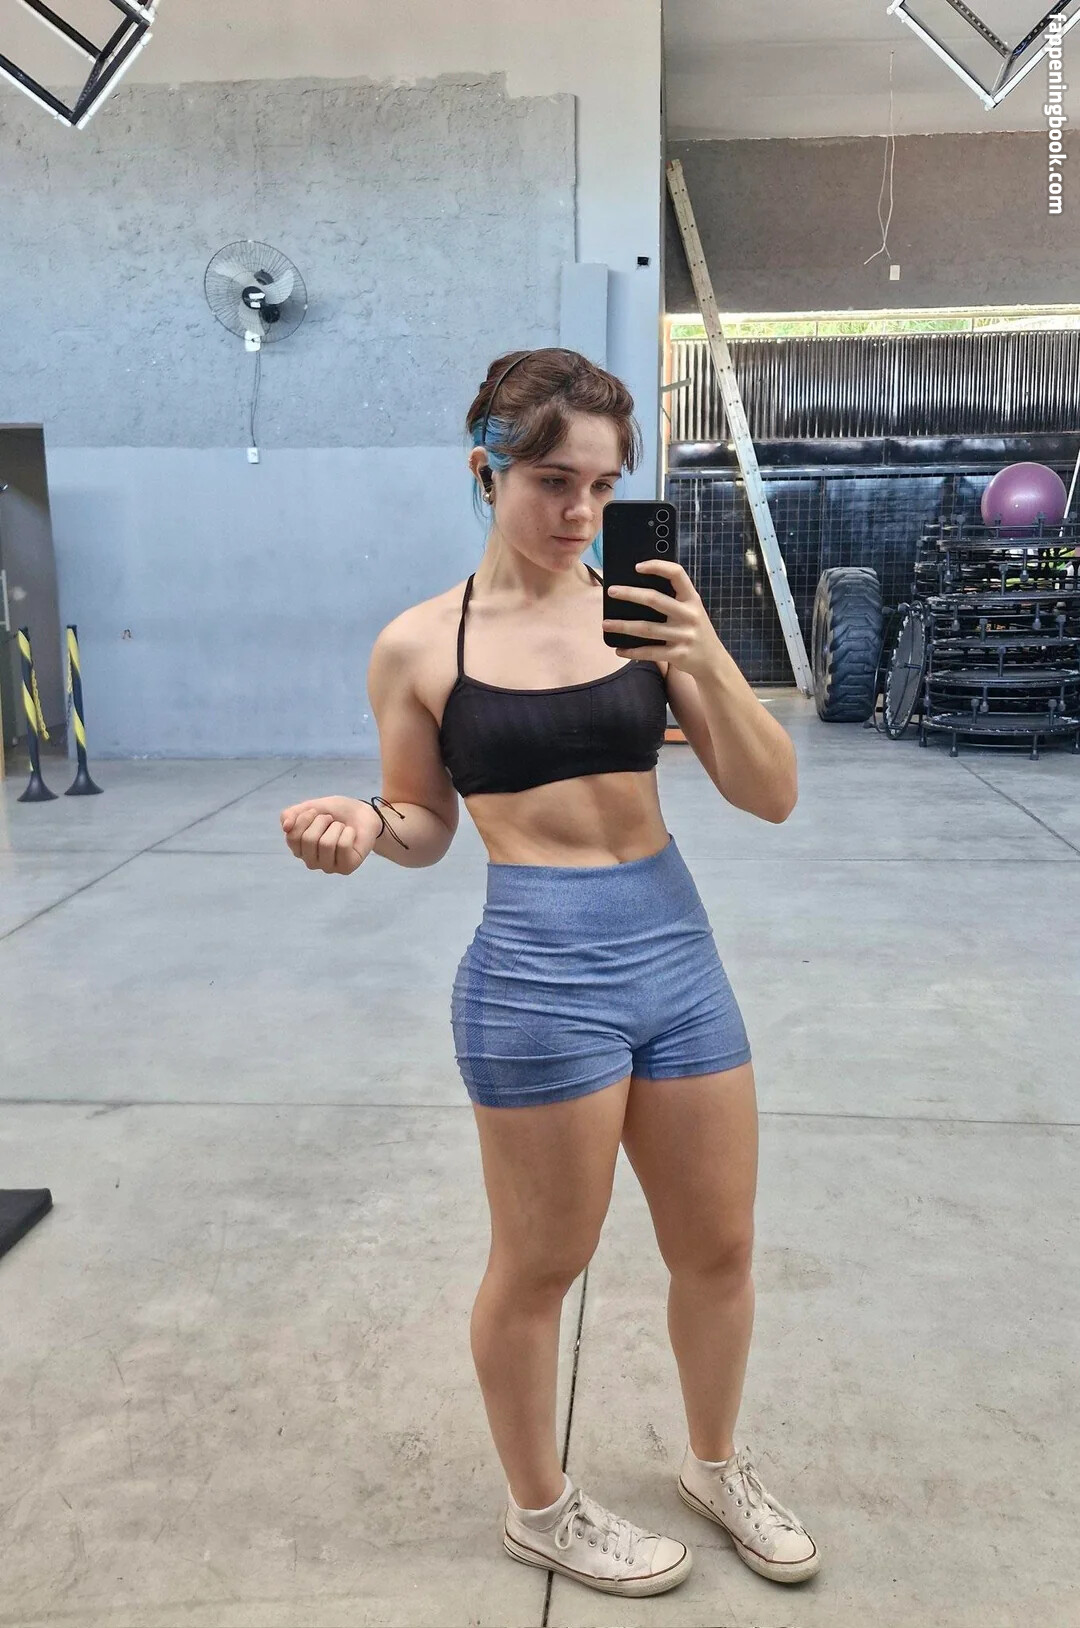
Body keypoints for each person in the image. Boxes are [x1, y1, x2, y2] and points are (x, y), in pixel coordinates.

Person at [280, 347, 819, 1599]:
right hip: (535, 973)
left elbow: (773, 793)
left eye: (604, 484)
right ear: (487, 469)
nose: (581, 510)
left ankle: (715, 1463)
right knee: (539, 1266)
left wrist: (701, 650)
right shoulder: (421, 645)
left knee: (720, 1244)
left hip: (676, 950)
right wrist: (365, 824)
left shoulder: (644, 609)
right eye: (552, 480)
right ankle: (541, 1506)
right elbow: (424, 821)